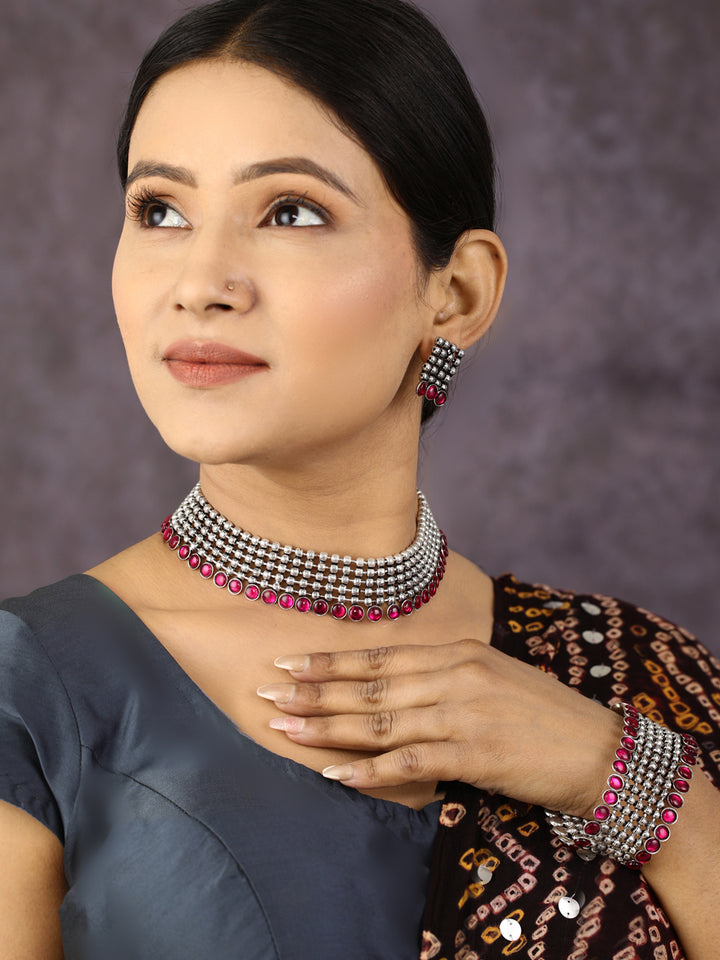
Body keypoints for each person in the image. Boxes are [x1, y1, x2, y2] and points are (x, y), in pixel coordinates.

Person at [1, 0, 718, 957]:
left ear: (456, 293)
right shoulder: (32, 689)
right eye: (159, 210)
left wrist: (622, 780)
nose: (202, 280)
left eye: (290, 211)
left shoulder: (638, 675)